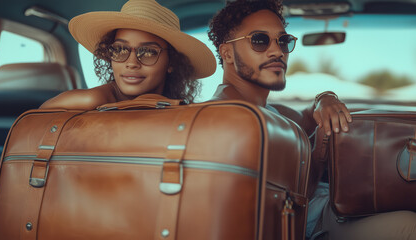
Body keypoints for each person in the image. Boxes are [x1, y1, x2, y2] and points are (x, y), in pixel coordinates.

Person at [207, 0, 416, 240]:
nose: (277, 52)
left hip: (334, 208)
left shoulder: (271, 112)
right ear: (226, 53)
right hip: (309, 224)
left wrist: (324, 98)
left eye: (283, 41)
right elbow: (272, 210)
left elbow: (307, 115)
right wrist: (316, 158)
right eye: (259, 40)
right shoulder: (224, 118)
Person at [40, 0, 216, 109]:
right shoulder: (93, 99)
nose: (131, 63)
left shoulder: (178, 109)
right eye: (119, 49)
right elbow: (36, 117)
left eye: (148, 52)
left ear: (172, 62)